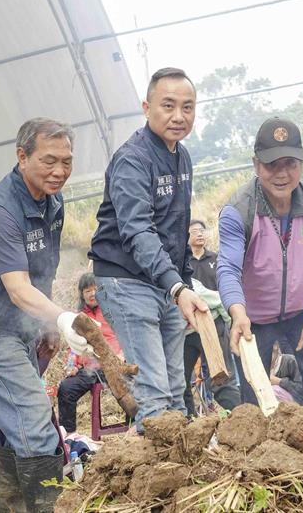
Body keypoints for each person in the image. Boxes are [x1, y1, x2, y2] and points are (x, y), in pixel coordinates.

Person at [0, 118, 87, 512]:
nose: (59, 171)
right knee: (36, 426)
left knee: (12, 428)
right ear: (22, 157)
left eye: (66, 162)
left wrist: (46, 324)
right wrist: (61, 317)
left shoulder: (53, 201)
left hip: (19, 324)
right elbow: (17, 287)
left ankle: (9, 507)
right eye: (49, 161)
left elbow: (42, 269)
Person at [88, 68, 209, 431]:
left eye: (187, 107)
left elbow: (178, 224)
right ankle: (155, 463)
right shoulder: (132, 159)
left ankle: (181, 460)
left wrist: (184, 284)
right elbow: (137, 230)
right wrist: (177, 287)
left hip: (165, 283)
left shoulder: (182, 156)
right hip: (126, 281)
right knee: (154, 393)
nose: (178, 116)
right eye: (168, 105)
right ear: (146, 108)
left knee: (176, 390)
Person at [218, 117, 303, 406]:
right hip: (252, 319)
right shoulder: (239, 211)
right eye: (272, 164)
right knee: (253, 401)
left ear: (302, 163)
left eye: (290, 164)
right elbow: (228, 269)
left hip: (302, 312)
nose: (282, 174)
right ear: (256, 164)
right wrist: (238, 313)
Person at [182, 220, 241, 416]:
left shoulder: (216, 259)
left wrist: (229, 322)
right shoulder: (183, 262)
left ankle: (243, 416)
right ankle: (188, 419)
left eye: (202, 230)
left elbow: (223, 293)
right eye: (194, 231)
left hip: (214, 324)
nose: (200, 234)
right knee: (181, 380)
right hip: (188, 329)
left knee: (221, 376)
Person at [57, 273, 124, 434]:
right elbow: (73, 347)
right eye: (87, 291)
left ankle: (136, 424)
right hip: (91, 369)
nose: (92, 294)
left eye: (95, 289)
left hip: (116, 363)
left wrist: (123, 354)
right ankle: (69, 434)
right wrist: (72, 365)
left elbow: (126, 335)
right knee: (66, 388)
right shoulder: (78, 318)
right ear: (82, 294)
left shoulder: (113, 311)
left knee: (133, 385)